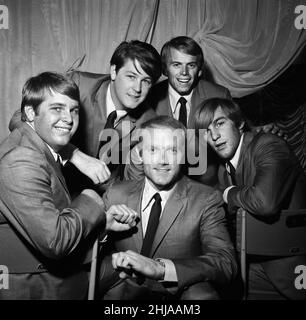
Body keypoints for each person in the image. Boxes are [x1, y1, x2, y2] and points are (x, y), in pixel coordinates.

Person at [0, 72, 138, 300]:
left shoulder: (35, 144)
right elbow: (55, 242)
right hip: (32, 284)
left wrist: (102, 222)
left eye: (73, 110)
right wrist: (91, 199)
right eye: (57, 108)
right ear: (30, 113)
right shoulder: (21, 160)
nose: (69, 118)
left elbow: (50, 221)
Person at [98, 116, 237, 300]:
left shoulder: (205, 199)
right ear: (140, 153)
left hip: (176, 295)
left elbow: (225, 262)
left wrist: (162, 270)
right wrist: (102, 230)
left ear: (184, 154)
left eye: (172, 150)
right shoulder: (115, 194)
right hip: (123, 292)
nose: (163, 160)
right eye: (153, 150)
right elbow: (86, 255)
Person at [9, 40, 162, 192]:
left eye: (146, 81)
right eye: (131, 76)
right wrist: (73, 153)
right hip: (48, 184)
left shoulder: (149, 121)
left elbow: (130, 178)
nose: (137, 88)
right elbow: (19, 120)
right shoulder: (79, 85)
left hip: (99, 199)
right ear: (114, 71)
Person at [194, 97, 306, 300]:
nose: (215, 136)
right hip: (252, 266)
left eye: (220, 124)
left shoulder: (269, 144)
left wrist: (227, 193)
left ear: (239, 123)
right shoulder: (222, 170)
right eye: (207, 132)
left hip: (292, 266)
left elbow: (265, 203)